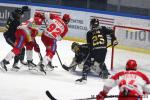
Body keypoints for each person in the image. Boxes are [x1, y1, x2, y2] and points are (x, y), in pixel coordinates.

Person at [76, 18, 118, 84]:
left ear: (91, 24)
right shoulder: (103, 28)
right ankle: (107, 75)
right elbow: (111, 31)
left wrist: (83, 49)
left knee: (87, 63)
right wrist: (114, 40)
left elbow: (89, 46)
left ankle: (84, 78)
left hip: (95, 50)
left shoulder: (89, 33)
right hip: (104, 50)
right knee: (101, 62)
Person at [3, 6, 30, 70]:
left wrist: (23, 10)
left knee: (22, 48)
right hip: (9, 37)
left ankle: (21, 60)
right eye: (20, 14)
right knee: (18, 49)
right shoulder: (16, 22)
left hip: (11, 35)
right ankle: (9, 63)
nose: (21, 15)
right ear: (17, 15)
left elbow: (17, 12)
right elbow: (20, 29)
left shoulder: (13, 16)